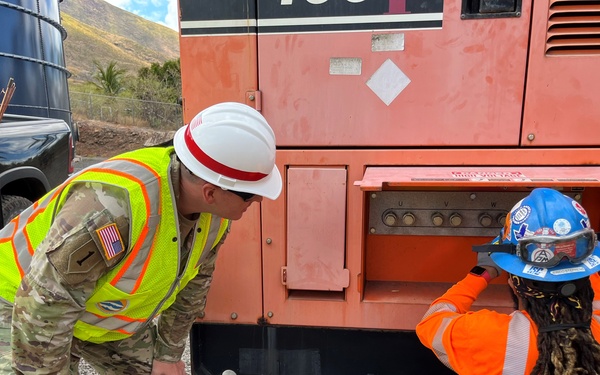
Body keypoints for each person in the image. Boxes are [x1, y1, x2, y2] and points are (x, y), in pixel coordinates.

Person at [0, 102, 282, 374]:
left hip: (92, 315)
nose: (258, 199)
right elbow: (46, 302)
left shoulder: (215, 215)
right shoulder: (114, 208)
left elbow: (196, 283)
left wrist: (168, 355)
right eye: (250, 193)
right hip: (20, 303)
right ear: (210, 191)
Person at [416, 188, 600, 374]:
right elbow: (584, 277)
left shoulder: (489, 337)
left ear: (514, 282)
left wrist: (481, 273)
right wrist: (567, 251)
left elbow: (431, 322)